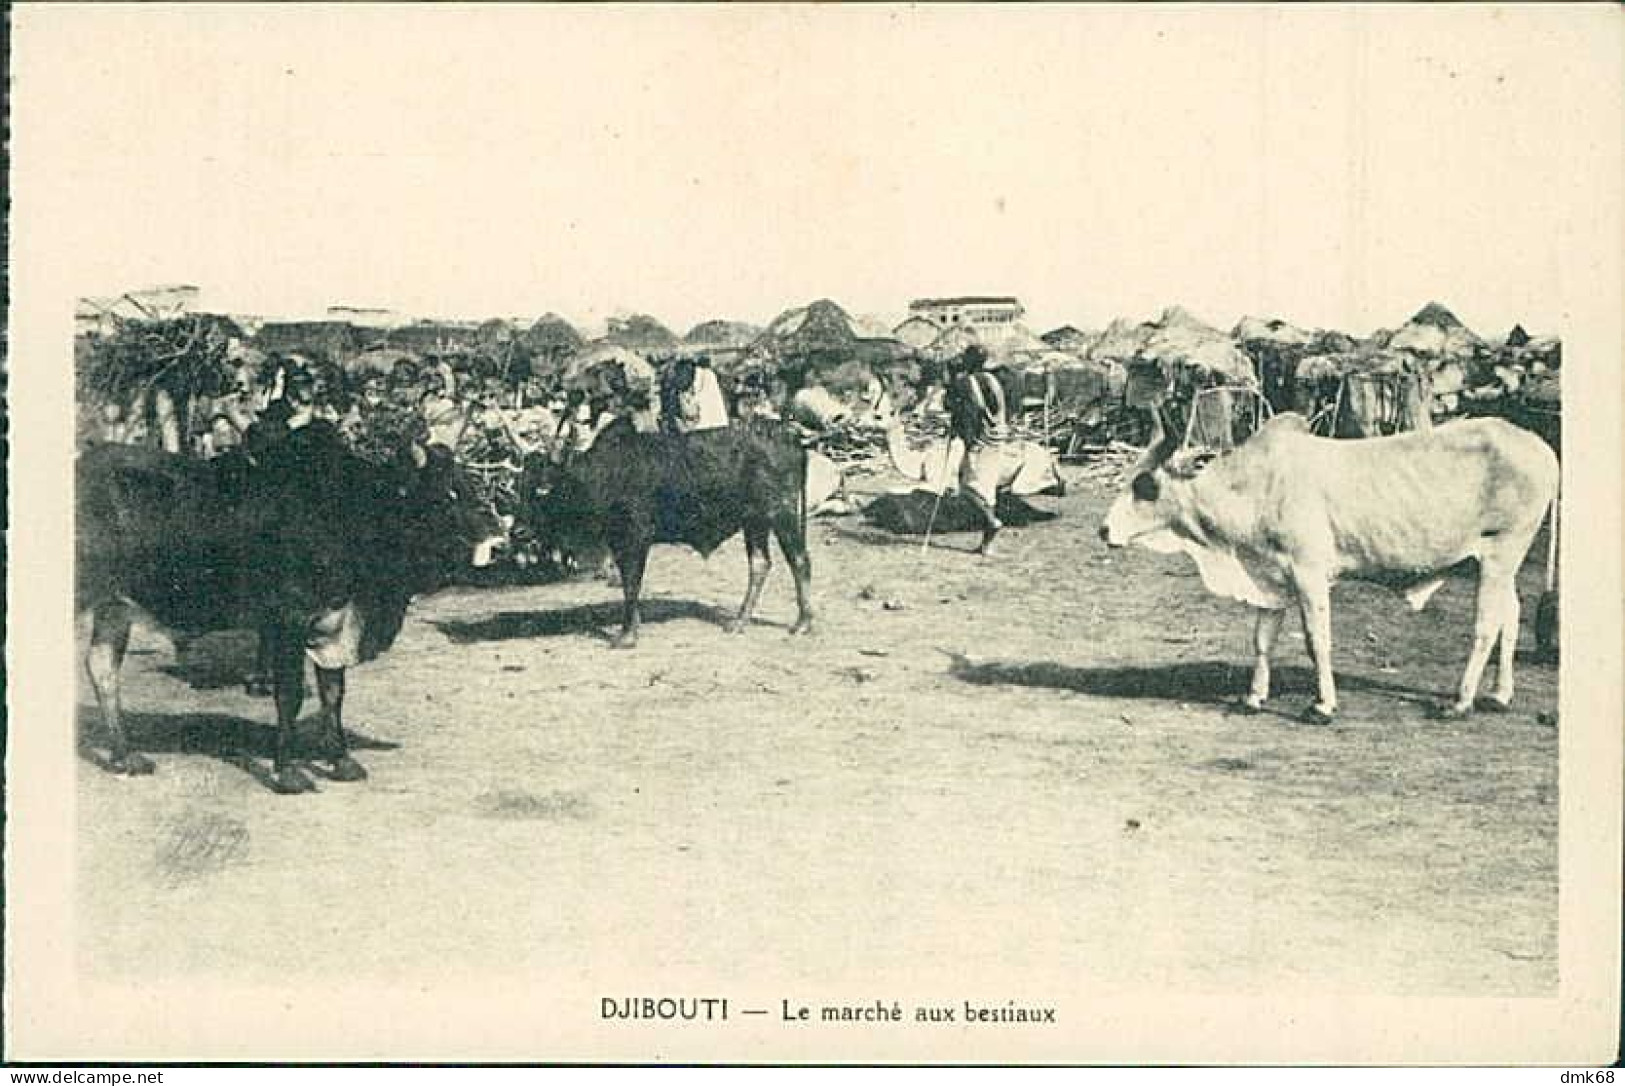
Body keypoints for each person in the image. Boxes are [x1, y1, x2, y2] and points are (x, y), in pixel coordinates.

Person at [944, 344, 1010, 556]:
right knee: (987, 490)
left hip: (980, 441)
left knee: (967, 487)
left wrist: (964, 437)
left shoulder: (968, 383)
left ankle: (992, 521)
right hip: (998, 438)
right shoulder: (993, 381)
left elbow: (970, 412)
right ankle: (987, 545)